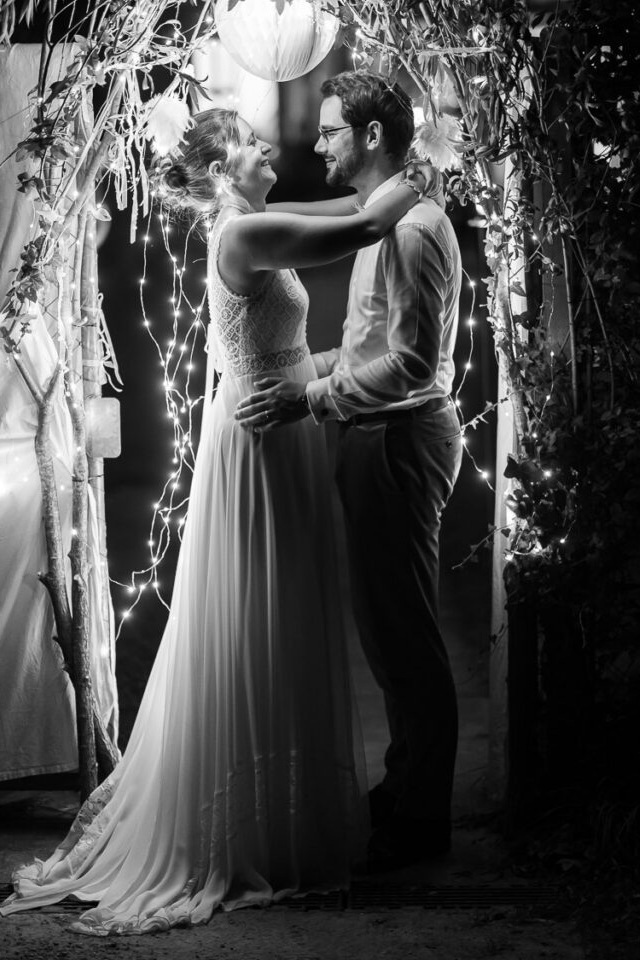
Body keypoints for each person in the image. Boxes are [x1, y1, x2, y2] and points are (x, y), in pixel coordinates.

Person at [0, 107, 434, 935]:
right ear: (219, 172)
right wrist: (420, 172)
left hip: (282, 424)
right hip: (262, 439)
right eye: (252, 143)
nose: (270, 148)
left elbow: (334, 213)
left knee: (283, 613)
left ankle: (277, 816)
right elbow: (364, 222)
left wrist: (375, 189)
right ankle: (246, 829)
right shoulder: (239, 237)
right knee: (260, 617)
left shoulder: (247, 220)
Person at [235, 72, 464, 871]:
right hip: (374, 433)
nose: (318, 142)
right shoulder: (385, 221)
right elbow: (371, 343)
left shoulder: (407, 228)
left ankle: (419, 822)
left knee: (403, 638)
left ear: (369, 137)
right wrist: (307, 375)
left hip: (397, 440)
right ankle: (402, 793)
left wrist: (312, 399)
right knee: (386, 631)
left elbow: (408, 364)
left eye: (332, 130)